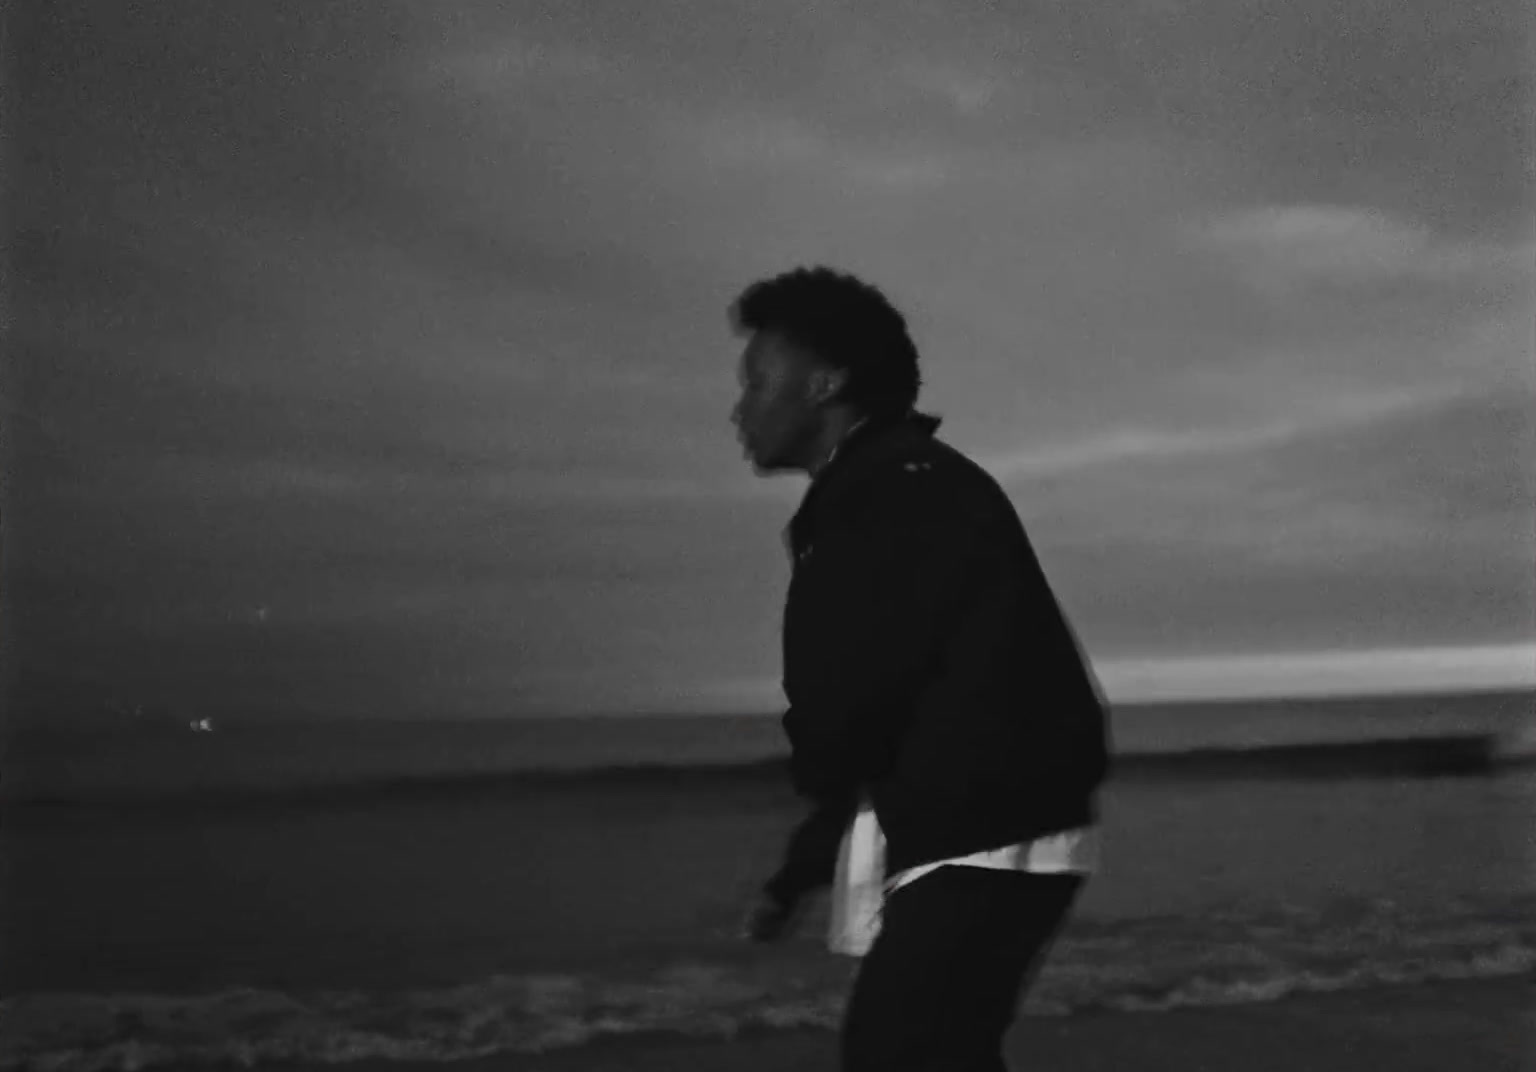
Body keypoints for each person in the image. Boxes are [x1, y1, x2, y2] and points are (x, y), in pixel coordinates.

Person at [727, 266, 1111, 1072]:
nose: (741, 406)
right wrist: (801, 871)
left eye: (758, 380)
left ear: (825, 382)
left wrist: (821, 786)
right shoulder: (904, 482)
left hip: (985, 834)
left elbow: (853, 703)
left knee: (900, 1055)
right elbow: (887, 704)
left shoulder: (888, 494)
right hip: (992, 827)